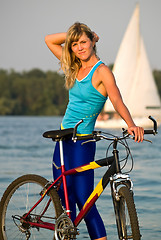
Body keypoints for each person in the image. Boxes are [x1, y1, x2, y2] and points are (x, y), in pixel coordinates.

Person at [45, 22, 144, 240]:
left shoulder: (102, 71)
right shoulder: (73, 66)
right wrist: (80, 35)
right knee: (62, 196)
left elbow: (117, 99)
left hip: (83, 141)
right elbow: (49, 39)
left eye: (83, 42)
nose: (79, 47)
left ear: (92, 42)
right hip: (63, 139)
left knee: (84, 199)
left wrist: (131, 124)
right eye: (74, 44)